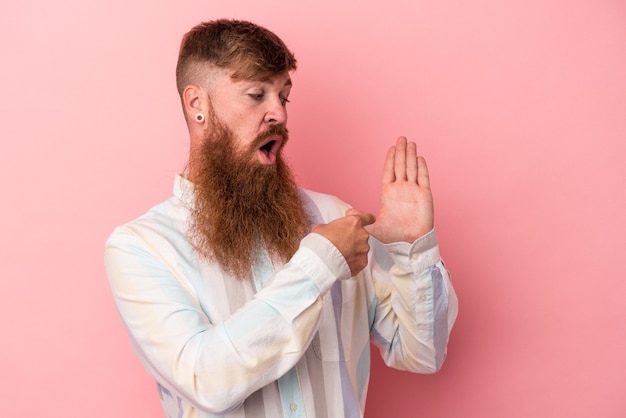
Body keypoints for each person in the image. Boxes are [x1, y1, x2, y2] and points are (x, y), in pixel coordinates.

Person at [105, 19, 458, 418]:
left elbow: (422, 355)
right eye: (256, 94)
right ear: (197, 104)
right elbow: (205, 379)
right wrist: (320, 263)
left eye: (284, 97)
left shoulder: (337, 220)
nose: (279, 114)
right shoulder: (141, 248)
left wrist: (413, 249)